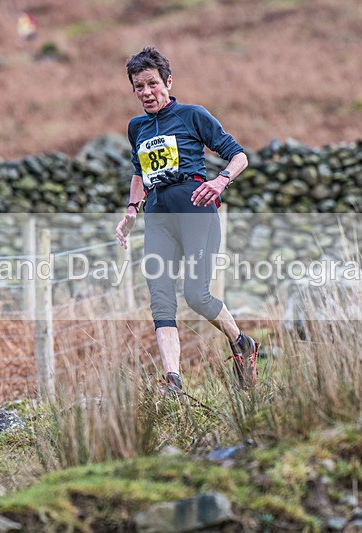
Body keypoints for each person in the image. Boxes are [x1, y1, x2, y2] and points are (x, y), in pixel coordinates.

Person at [115, 46, 257, 394]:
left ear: (168, 81)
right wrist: (132, 209)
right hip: (158, 216)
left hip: (195, 210)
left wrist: (220, 180)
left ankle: (242, 344)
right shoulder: (136, 127)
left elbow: (239, 155)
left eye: (152, 84)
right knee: (160, 296)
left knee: (196, 295)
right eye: (138, 86)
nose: (146, 92)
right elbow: (139, 172)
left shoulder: (193, 116)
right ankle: (173, 382)